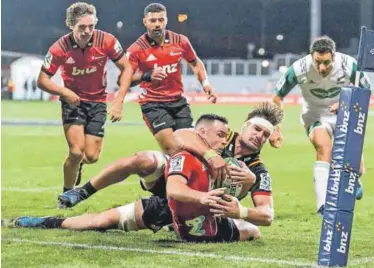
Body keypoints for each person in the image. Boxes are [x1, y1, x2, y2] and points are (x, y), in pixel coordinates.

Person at [6, 114, 259, 242]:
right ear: (202, 132)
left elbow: (252, 209)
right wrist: (206, 179)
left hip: (197, 211)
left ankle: (177, 225)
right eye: (220, 134)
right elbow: (174, 184)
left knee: (252, 231)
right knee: (103, 219)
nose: (224, 140)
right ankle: (51, 216)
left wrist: (246, 187)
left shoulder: (235, 161)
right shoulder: (188, 150)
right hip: (171, 196)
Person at [58, 103, 281, 230]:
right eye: (256, 129)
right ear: (245, 126)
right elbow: (180, 135)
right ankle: (82, 191)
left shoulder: (257, 172)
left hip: (195, 205)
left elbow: (266, 215)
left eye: (265, 134)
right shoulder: (220, 134)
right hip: (174, 180)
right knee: (143, 159)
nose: (259, 136)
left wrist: (240, 210)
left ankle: (169, 223)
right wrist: (211, 154)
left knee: (107, 221)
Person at [36, 2, 133, 194]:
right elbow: (42, 80)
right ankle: (66, 194)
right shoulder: (59, 48)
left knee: (91, 156)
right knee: (76, 151)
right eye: (82, 27)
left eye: (91, 26)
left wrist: (119, 101)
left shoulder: (108, 41)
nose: (87, 31)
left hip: (97, 102)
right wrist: (64, 92)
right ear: (71, 25)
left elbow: (127, 67)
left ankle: (79, 164)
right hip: (73, 102)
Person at [270, 36, 371, 214]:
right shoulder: (299, 68)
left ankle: (353, 179)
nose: (321, 68)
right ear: (311, 57)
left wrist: (344, 104)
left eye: (326, 63)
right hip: (315, 114)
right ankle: (323, 206)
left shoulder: (349, 64)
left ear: (334, 56)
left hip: (344, 112)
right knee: (324, 149)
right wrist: (276, 128)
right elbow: (277, 98)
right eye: (317, 62)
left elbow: (366, 91)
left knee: (359, 168)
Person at [127, 3, 217, 155]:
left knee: (190, 149)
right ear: (145, 22)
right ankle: (158, 178)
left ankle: (169, 176)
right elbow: (124, 79)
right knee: (173, 149)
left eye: (160, 20)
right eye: (153, 20)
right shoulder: (136, 49)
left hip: (178, 102)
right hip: (153, 103)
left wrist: (205, 83)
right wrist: (147, 75)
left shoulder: (180, 41)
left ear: (166, 20)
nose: (157, 24)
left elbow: (195, 63)